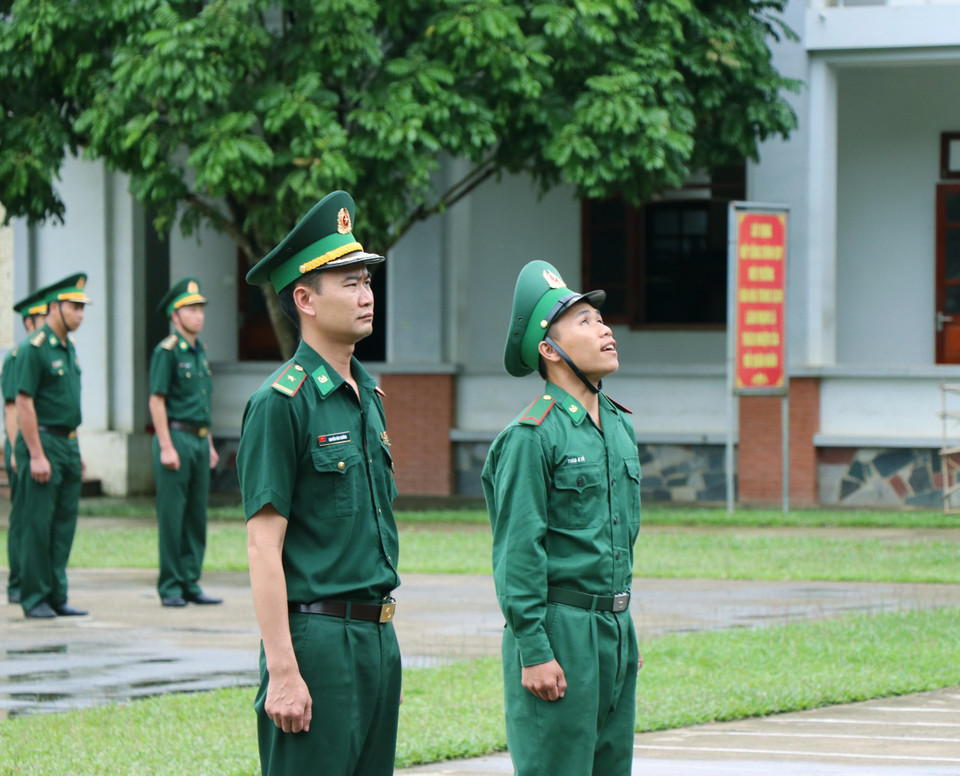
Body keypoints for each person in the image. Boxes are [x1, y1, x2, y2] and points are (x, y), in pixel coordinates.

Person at [236, 190, 401, 776]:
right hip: (317, 640)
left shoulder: (368, 396)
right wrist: (283, 669)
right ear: (304, 299)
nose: (367, 295)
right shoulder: (281, 403)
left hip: (378, 635)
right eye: (349, 283)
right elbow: (263, 545)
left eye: (367, 281)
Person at [481, 260, 643, 776]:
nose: (605, 329)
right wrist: (533, 649)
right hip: (560, 629)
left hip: (613, 627)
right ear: (549, 350)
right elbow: (518, 551)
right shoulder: (532, 436)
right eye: (585, 322)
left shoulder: (618, 426)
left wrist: (622, 632)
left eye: (601, 319)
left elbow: (621, 540)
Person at [13, 273, 92, 619]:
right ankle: (34, 597)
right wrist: (35, 454)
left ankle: (57, 595)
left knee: (63, 524)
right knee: (38, 524)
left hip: (67, 443)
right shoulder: (35, 347)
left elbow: (68, 405)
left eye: (83, 308)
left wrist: (77, 449)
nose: (81, 314)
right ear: (55, 308)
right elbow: (24, 402)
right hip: (42, 442)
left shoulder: (67, 347)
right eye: (75, 307)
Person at [149, 277, 221, 607]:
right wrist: (166, 446)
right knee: (172, 516)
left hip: (199, 439)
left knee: (195, 516)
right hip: (175, 437)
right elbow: (157, 400)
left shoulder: (199, 352)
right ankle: (171, 586)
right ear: (175, 315)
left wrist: (209, 444)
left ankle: (190, 581)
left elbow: (201, 402)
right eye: (191, 309)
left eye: (200, 309)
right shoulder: (166, 352)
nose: (199, 315)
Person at [3, 289, 49, 604]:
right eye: (43, 316)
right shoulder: (18, 355)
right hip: (21, 443)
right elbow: (12, 408)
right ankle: (18, 581)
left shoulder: (44, 353)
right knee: (22, 514)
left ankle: (38, 579)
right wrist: (17, 450)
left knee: (40, 517)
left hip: (44, 442)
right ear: (30, 322)